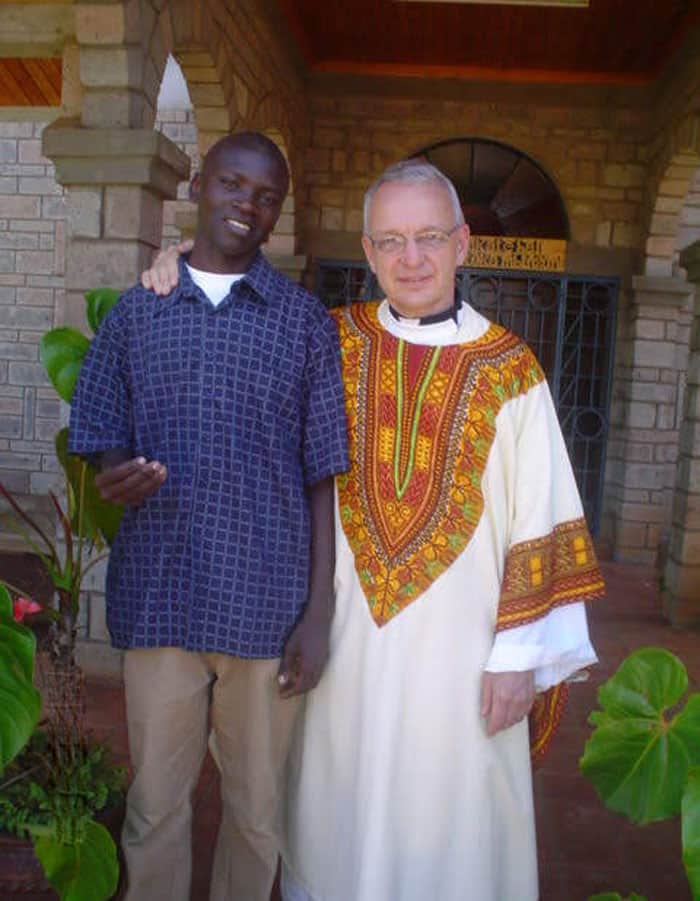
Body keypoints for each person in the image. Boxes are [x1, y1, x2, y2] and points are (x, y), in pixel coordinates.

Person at [144, 159, 604, 901]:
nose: (411, 258)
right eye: (392, 241)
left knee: (447, 835)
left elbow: (541, 519)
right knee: (333, 824)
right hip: (338, 654)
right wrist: (172, 265)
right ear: (368, 251)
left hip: (463, 669)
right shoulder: (321, 338)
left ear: (462, 244)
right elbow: (222, 318)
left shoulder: (512, 371)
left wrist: (519, 657)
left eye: (428, 237)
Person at [68, 131, 349, 901]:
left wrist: (318, 610)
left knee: (258, 816)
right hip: (162, 596)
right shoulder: (138, 313)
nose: (246, 205)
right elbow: (98, 430)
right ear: (198, 186)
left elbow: (324, 473)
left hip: (266, 608)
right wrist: (114, 473)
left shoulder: (303, 324)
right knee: (155, 809)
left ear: (276, 214)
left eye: (265, 197)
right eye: (232, 184)